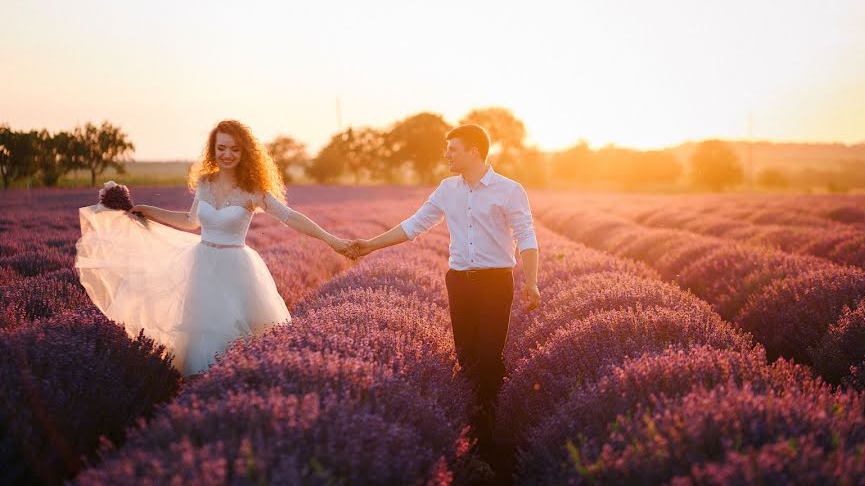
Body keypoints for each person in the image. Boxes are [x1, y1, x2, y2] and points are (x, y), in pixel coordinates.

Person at [75, 119, 356, 377]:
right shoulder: (206, 183)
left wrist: (331, 240)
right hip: (202, 265)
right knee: (202, 337)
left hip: (236, 270)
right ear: (213, 149)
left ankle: (233, 391)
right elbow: (190, 221)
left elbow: (291, 217)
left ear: (245, 152)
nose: (227, 154)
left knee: (232, 336)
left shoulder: (253, 189)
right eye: (221, 148)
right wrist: (148, 211)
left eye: (234, 149)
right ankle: (200, 393)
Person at [349, 123, 541, 455]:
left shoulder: (509, 190)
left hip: (495, 282)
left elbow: (526, 236)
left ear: (474, 152)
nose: (446, 154)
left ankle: (489, 429)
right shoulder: (447, 189)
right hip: (459, 282)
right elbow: (414, 225)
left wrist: (533, 283)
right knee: (466, 357)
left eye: (452, 149)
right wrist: (369, 245)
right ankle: (470, 427)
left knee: (489, 356)